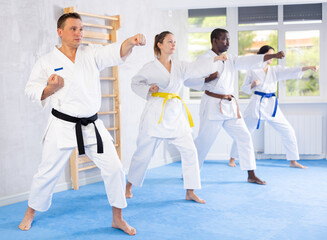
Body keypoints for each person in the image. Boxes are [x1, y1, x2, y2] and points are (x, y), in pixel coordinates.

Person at [19, 12, 146, 235]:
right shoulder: (47, 61)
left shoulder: (91, 53)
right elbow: (31, 90)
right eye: (73, 29)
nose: (79, 33)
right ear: (60, 32)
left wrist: (130, 42)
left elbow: (115, 52)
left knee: (115, 168)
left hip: (92, 126)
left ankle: (118, 218)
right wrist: (51, 89)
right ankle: (30, 212)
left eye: (81, 29)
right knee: (46, 172)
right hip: (62, 125)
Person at [125, 31, 226, 203]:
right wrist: (149, 89)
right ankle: (128, 186)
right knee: (143, 152)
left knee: (190, 151)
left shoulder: (180, 66)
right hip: (156, 113)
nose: (173, 44)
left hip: (175, 113)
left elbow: (197, 67)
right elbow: (135, 83)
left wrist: (214, 60)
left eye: (175, 42)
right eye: (169, 41)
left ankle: (190, 191)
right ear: (160, 45)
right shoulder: (149, 67)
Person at [186, 28, 284, 185]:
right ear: (214, 41)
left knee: (244, 136)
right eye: (224, 39)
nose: (228, 42)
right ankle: (190, 173)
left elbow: (248, 61)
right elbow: (188, 79)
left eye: (228, 39)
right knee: (204, 142)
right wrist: (205, 80)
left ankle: (251, 173)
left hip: (229, 106)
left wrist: (272, 55)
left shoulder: (230, 58)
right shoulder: (204, 58)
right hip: (212, 105)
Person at [228, 45, 318, 169]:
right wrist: (253, 85)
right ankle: (232, 158)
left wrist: (308, 67)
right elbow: (244, 88)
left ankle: (293, 161)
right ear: (263, 55)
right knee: (245, 132)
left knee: (288, 130)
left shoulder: (275, 70)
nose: (272, 57)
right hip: (257, 104)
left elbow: (291, 70)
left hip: (271, 104)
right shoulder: (253, 70)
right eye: (270, 54)